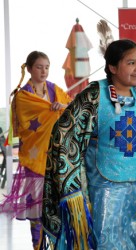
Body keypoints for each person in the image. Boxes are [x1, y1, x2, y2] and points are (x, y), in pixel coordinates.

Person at [41, 39, 136, 250]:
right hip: (103, 190)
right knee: (106, 241)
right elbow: (64, 134)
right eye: (131, 63)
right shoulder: (94, 96)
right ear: (112, 67)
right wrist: (71, 185)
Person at [0, 51, 71, 250]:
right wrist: (48, 110)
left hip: (55, 156)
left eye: (47, 67)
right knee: (36, 209)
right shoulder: (23, 96)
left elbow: (71, 108)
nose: (44, 71)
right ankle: (37, 246)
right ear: (29, 68)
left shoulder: (54, 89)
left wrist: (61, 106)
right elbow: (25, 123)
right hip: (35, 157)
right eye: (39, 67)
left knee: (56, 207)